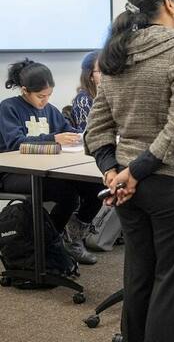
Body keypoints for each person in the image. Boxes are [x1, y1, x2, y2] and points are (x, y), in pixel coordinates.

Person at [84, 0, 174, 342]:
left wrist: (113, 172)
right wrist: (135, 172)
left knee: (138, 277)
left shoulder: (117, 52)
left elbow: (97, 129)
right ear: (170, 4)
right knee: (172, 284)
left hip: (128, 188)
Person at [0, 59, 103, 265]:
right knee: (68, 194)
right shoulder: (8, 108)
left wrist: (85, 136)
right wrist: (54, 138)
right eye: (40, 96)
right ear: (24, 90)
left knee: (96, 188)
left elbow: (70, 132)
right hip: (13, 173)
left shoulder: (50, 110)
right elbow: (15, 142)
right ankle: (49, 244)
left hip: (48, 170)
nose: (45, 101)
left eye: (49, 95)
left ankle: (67, 237)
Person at [71, 50, 102, 132]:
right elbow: (87, 131)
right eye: (100, 71)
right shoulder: (83, 99)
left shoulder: (110, 94)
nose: (106, 74)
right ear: (90, 75)